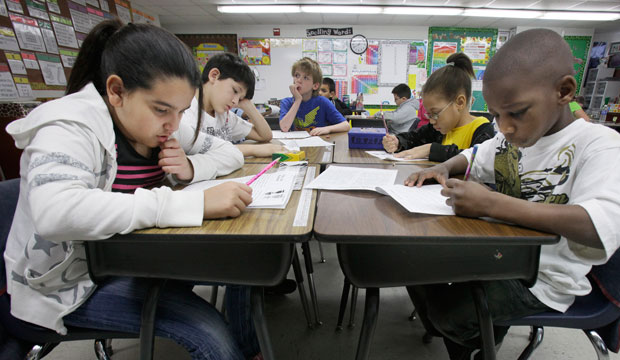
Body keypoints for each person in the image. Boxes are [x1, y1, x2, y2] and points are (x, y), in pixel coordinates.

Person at [4, 20, 262, 360]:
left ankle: (247, 351)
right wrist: (189, 202)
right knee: (207, 331)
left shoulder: (160, 125)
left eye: (182, 111)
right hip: (71, 286)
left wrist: (191, 167)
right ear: (116, 91)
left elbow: (226, 151)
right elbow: (55, 212)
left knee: (244, 259)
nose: (173, 124)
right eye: (161, 110)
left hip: (136, 259)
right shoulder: (68, 124)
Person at [404, 28, 620, 360]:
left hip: (545, 279)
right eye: (496, 115)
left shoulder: (599, 144)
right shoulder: (510, 138)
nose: (504, 127)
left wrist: (495, 204)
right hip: (500, 254)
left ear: (563, 91)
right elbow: (477, 154)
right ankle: (465, 330)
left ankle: (474, 337)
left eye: (516, 113)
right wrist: (446, 168)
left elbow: (597, 224)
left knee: (453, 314)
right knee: (412, 265)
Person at [382, 53, 494, 161]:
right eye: (429, 115)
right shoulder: (438, 129)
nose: (431, 121)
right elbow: (412, 138)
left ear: (460, 102)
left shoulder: (482, 129)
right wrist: (397, 142)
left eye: (435, 114)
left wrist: (432, 149)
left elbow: (477, 160)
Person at [182, 52, 284, 157]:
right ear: (214, 76)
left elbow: (265, 135)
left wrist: (247, 105)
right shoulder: (183, 111)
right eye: (235, 90)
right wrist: (252, 149)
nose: (235, 102)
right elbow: (201, 149)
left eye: (240, 98)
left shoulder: (224, 115)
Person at [279, 57, 350, 135]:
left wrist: (327, 129)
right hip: (295, 145)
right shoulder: (286, 102)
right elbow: (284, 128)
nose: (298, 80)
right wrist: (298, 100)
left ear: (315, 86)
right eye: (297, 75)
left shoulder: (322, 102)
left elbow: (346, 125)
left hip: (318, 143)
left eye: (305, 78)